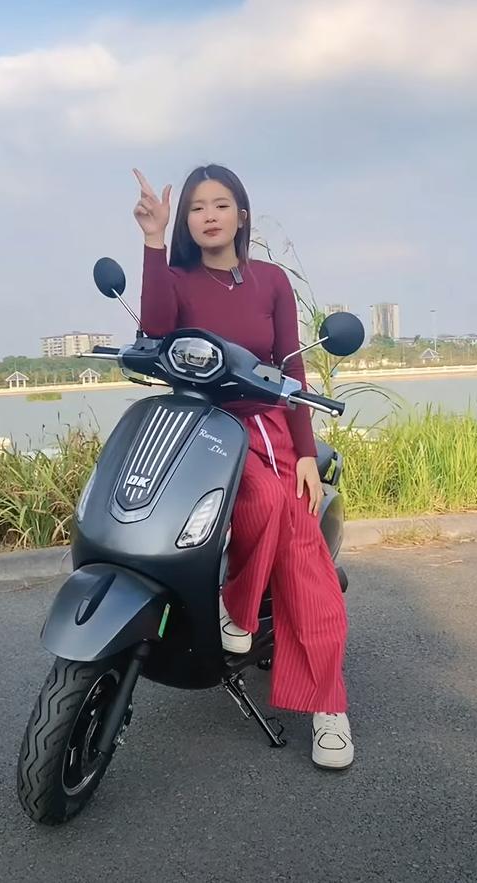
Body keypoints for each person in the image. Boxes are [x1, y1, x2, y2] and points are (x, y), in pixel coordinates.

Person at [133, 164, 354, 770]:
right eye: (197, 207)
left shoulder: (272, 281)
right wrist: (152, 240)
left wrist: (305, 452)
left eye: (221, 204)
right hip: (204, 428)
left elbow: (293, 370)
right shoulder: (176, 278)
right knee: (264, 500)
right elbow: (154, 333)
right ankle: (237, 602)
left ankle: (328, 706)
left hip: (273, 429)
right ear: (186, 221)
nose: (209, 215)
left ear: (242, 215)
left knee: (305, 557)